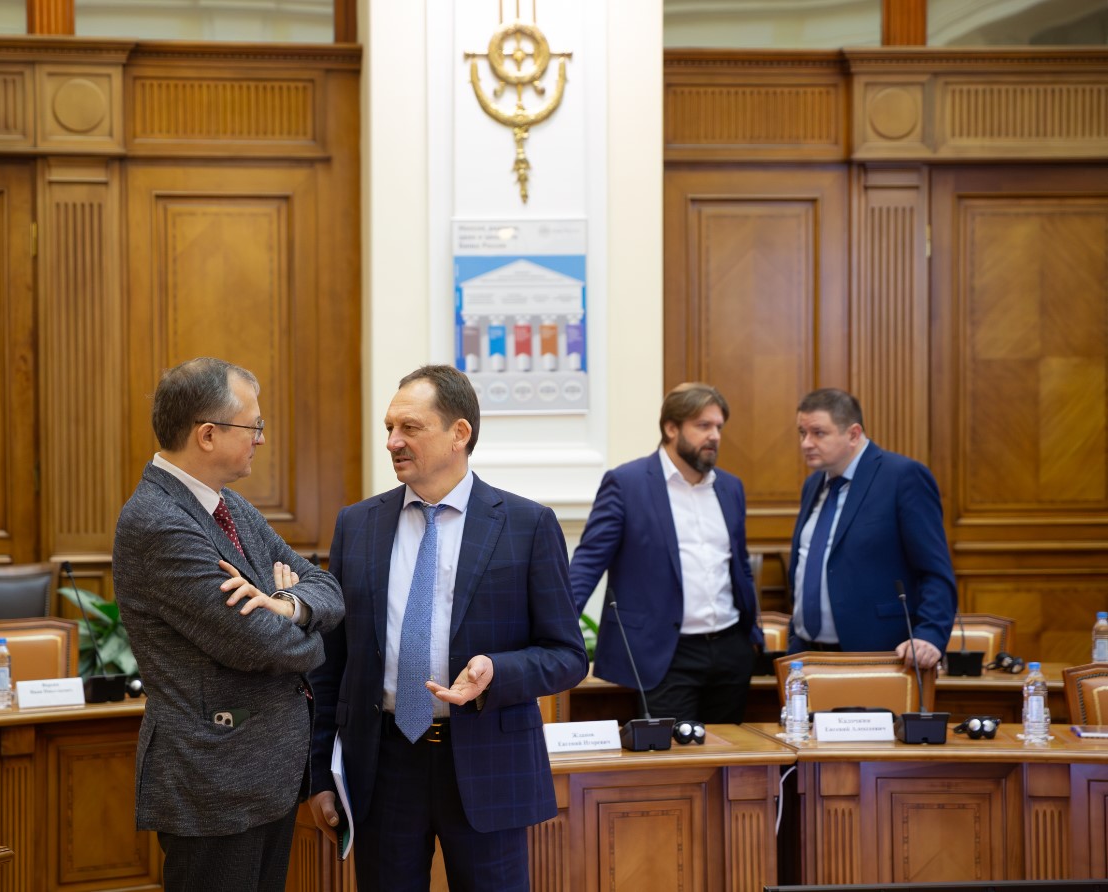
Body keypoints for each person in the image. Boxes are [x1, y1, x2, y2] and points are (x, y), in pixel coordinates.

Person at [307, 364, 588, 892]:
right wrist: (320, 773)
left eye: (409, 428)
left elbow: (567, 656)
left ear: (460, 433)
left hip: (487, 764)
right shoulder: (357, 525)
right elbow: (331, 662)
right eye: (389, 428)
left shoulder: (527, 525)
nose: (392, 442)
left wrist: (496, 671)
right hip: (383, 767)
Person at [113, 357, 344, 892]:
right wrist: (309, 636)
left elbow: (326, 588)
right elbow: (257, 643)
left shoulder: (231, 507)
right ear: (208, 434)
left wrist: (284, 604)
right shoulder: (158, 522)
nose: (261, 438)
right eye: (253, 426)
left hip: (266, 776)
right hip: (214, 785)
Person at [568, 382, 764, 724]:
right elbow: (588, 563)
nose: (715, 436)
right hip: (664, 653)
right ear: (672, 428)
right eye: (703, 425)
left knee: (730, 751)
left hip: (730, 651)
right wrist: (556, 629)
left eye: (719, 427)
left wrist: (753, 635)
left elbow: (739, 566)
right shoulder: (627, 483)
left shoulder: (730, 487)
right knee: (674, 754)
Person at [788, 387, 956, 669]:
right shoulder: (813, 484)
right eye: (802, 433)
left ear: (853, 434)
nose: (806, 443)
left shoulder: (903, 477)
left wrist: (929, 635)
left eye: (818, 433)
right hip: (808, 655)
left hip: (883, 655)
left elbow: (935, 571)